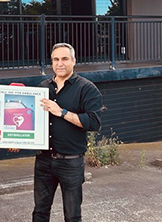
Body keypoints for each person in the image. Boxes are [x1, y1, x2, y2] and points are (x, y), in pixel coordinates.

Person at [34, 43, 103, 222]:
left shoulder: (86, 88)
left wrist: (62, 112)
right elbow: (32, 120)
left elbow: (94, 122)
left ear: (74, 61)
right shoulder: (43, 87)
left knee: (72, 216)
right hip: (43, 160)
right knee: (40, 212)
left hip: (71, 163)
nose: (60, 63)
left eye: (65, 59)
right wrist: (15, 141)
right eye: (56, 59)